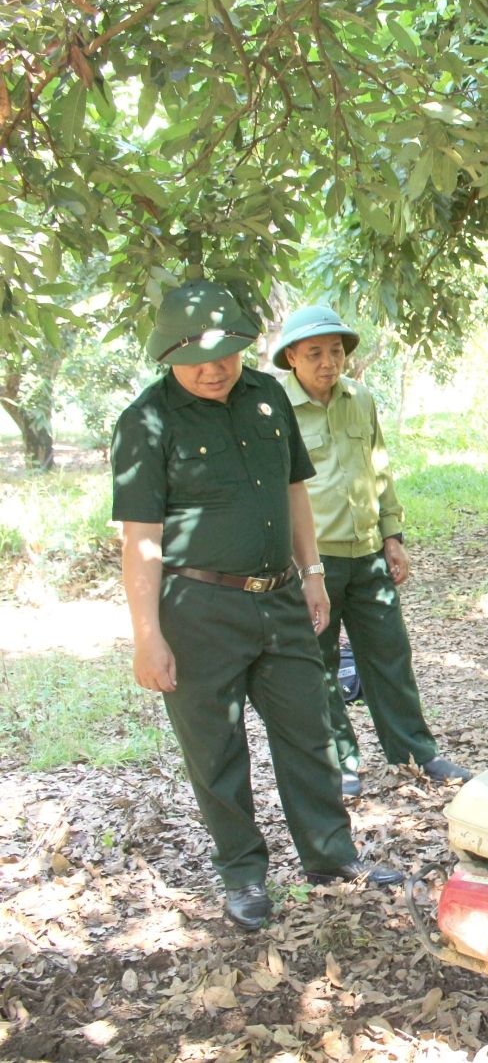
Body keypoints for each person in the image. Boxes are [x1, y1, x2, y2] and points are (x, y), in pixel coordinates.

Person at [112, 280, 402, 933]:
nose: (215, 368)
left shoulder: (270, 396)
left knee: (309, 732)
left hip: (279, 599)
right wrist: (147, 634)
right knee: (215, 750)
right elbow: (141, 540)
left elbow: (295, 492)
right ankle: (243, 874)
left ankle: (331, 858)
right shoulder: (146, 421)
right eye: (198, 357)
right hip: (197, 607)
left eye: (227, 353)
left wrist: (313, 572)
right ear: (168, 353)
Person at [271, 305, 470, 798]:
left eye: (335, 351)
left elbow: (378, 470)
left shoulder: (360, 400)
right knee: (318, 665)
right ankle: (341, 762)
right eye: (314, 353)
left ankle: (415, 752)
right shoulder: (275, 409)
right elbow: (274, 490)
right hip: (312, 561)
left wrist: (392, 535)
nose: (327, 362)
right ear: (292, 357)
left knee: (389, 656)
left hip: (366, 554)